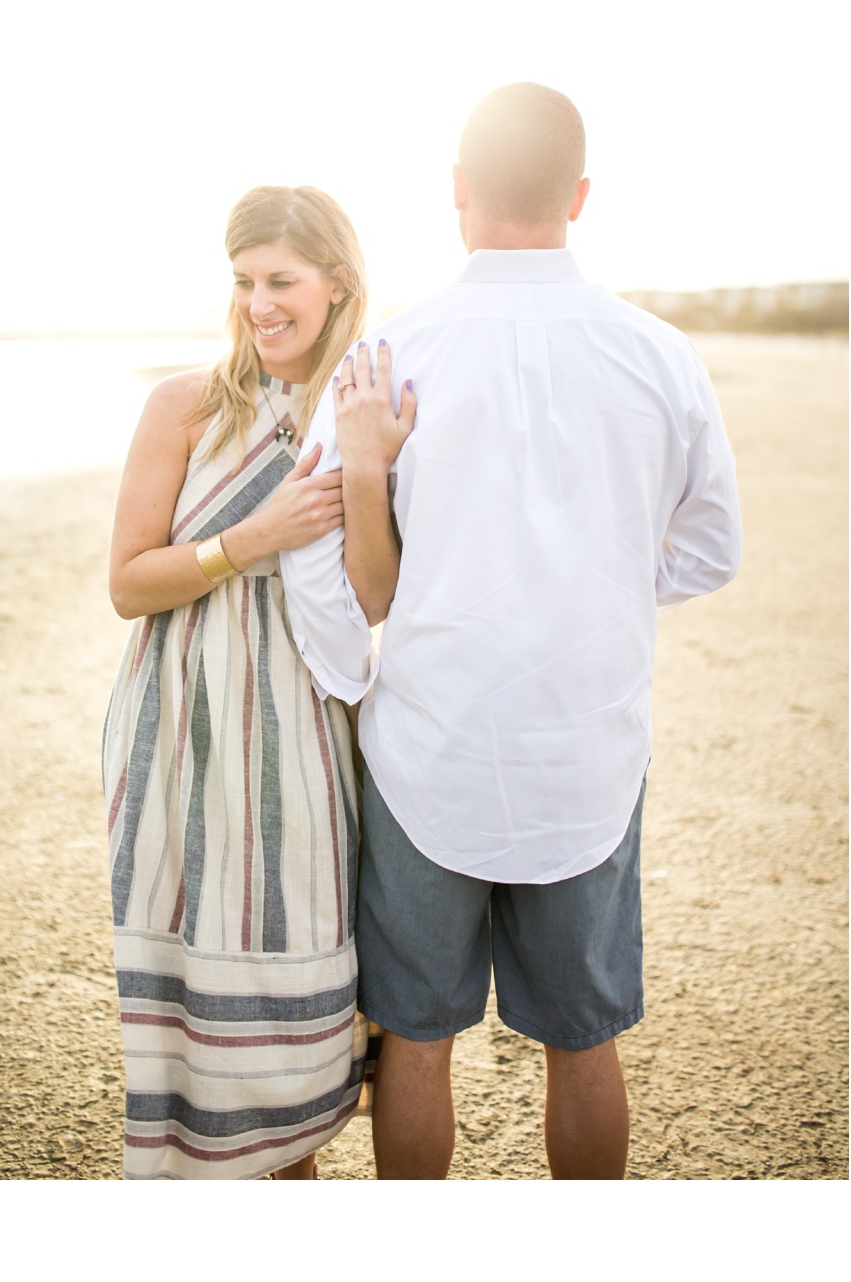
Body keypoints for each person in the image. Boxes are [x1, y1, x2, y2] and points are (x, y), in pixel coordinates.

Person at [279, 83, 742, 1179]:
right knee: (584, 1038)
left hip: (427, 745)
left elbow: (314, 556)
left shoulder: (390, 352)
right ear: (578, 195)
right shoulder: (659, 354)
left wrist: (348, 669)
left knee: (419, 1038)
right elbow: (710, 549)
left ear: (454, 193)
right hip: (586, 745)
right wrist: (593, 594)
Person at [101, 183, 397, 1179]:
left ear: (335, 283)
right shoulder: (181, 405)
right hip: (179, 725)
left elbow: (377, 592)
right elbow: (126, 585)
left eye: (279, 281)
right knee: (202, 1006)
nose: (258, 303)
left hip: (309, 722)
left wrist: (362, 471)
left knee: (302, 986)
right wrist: (247, 541)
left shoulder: (362, 410)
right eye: (240, 282)